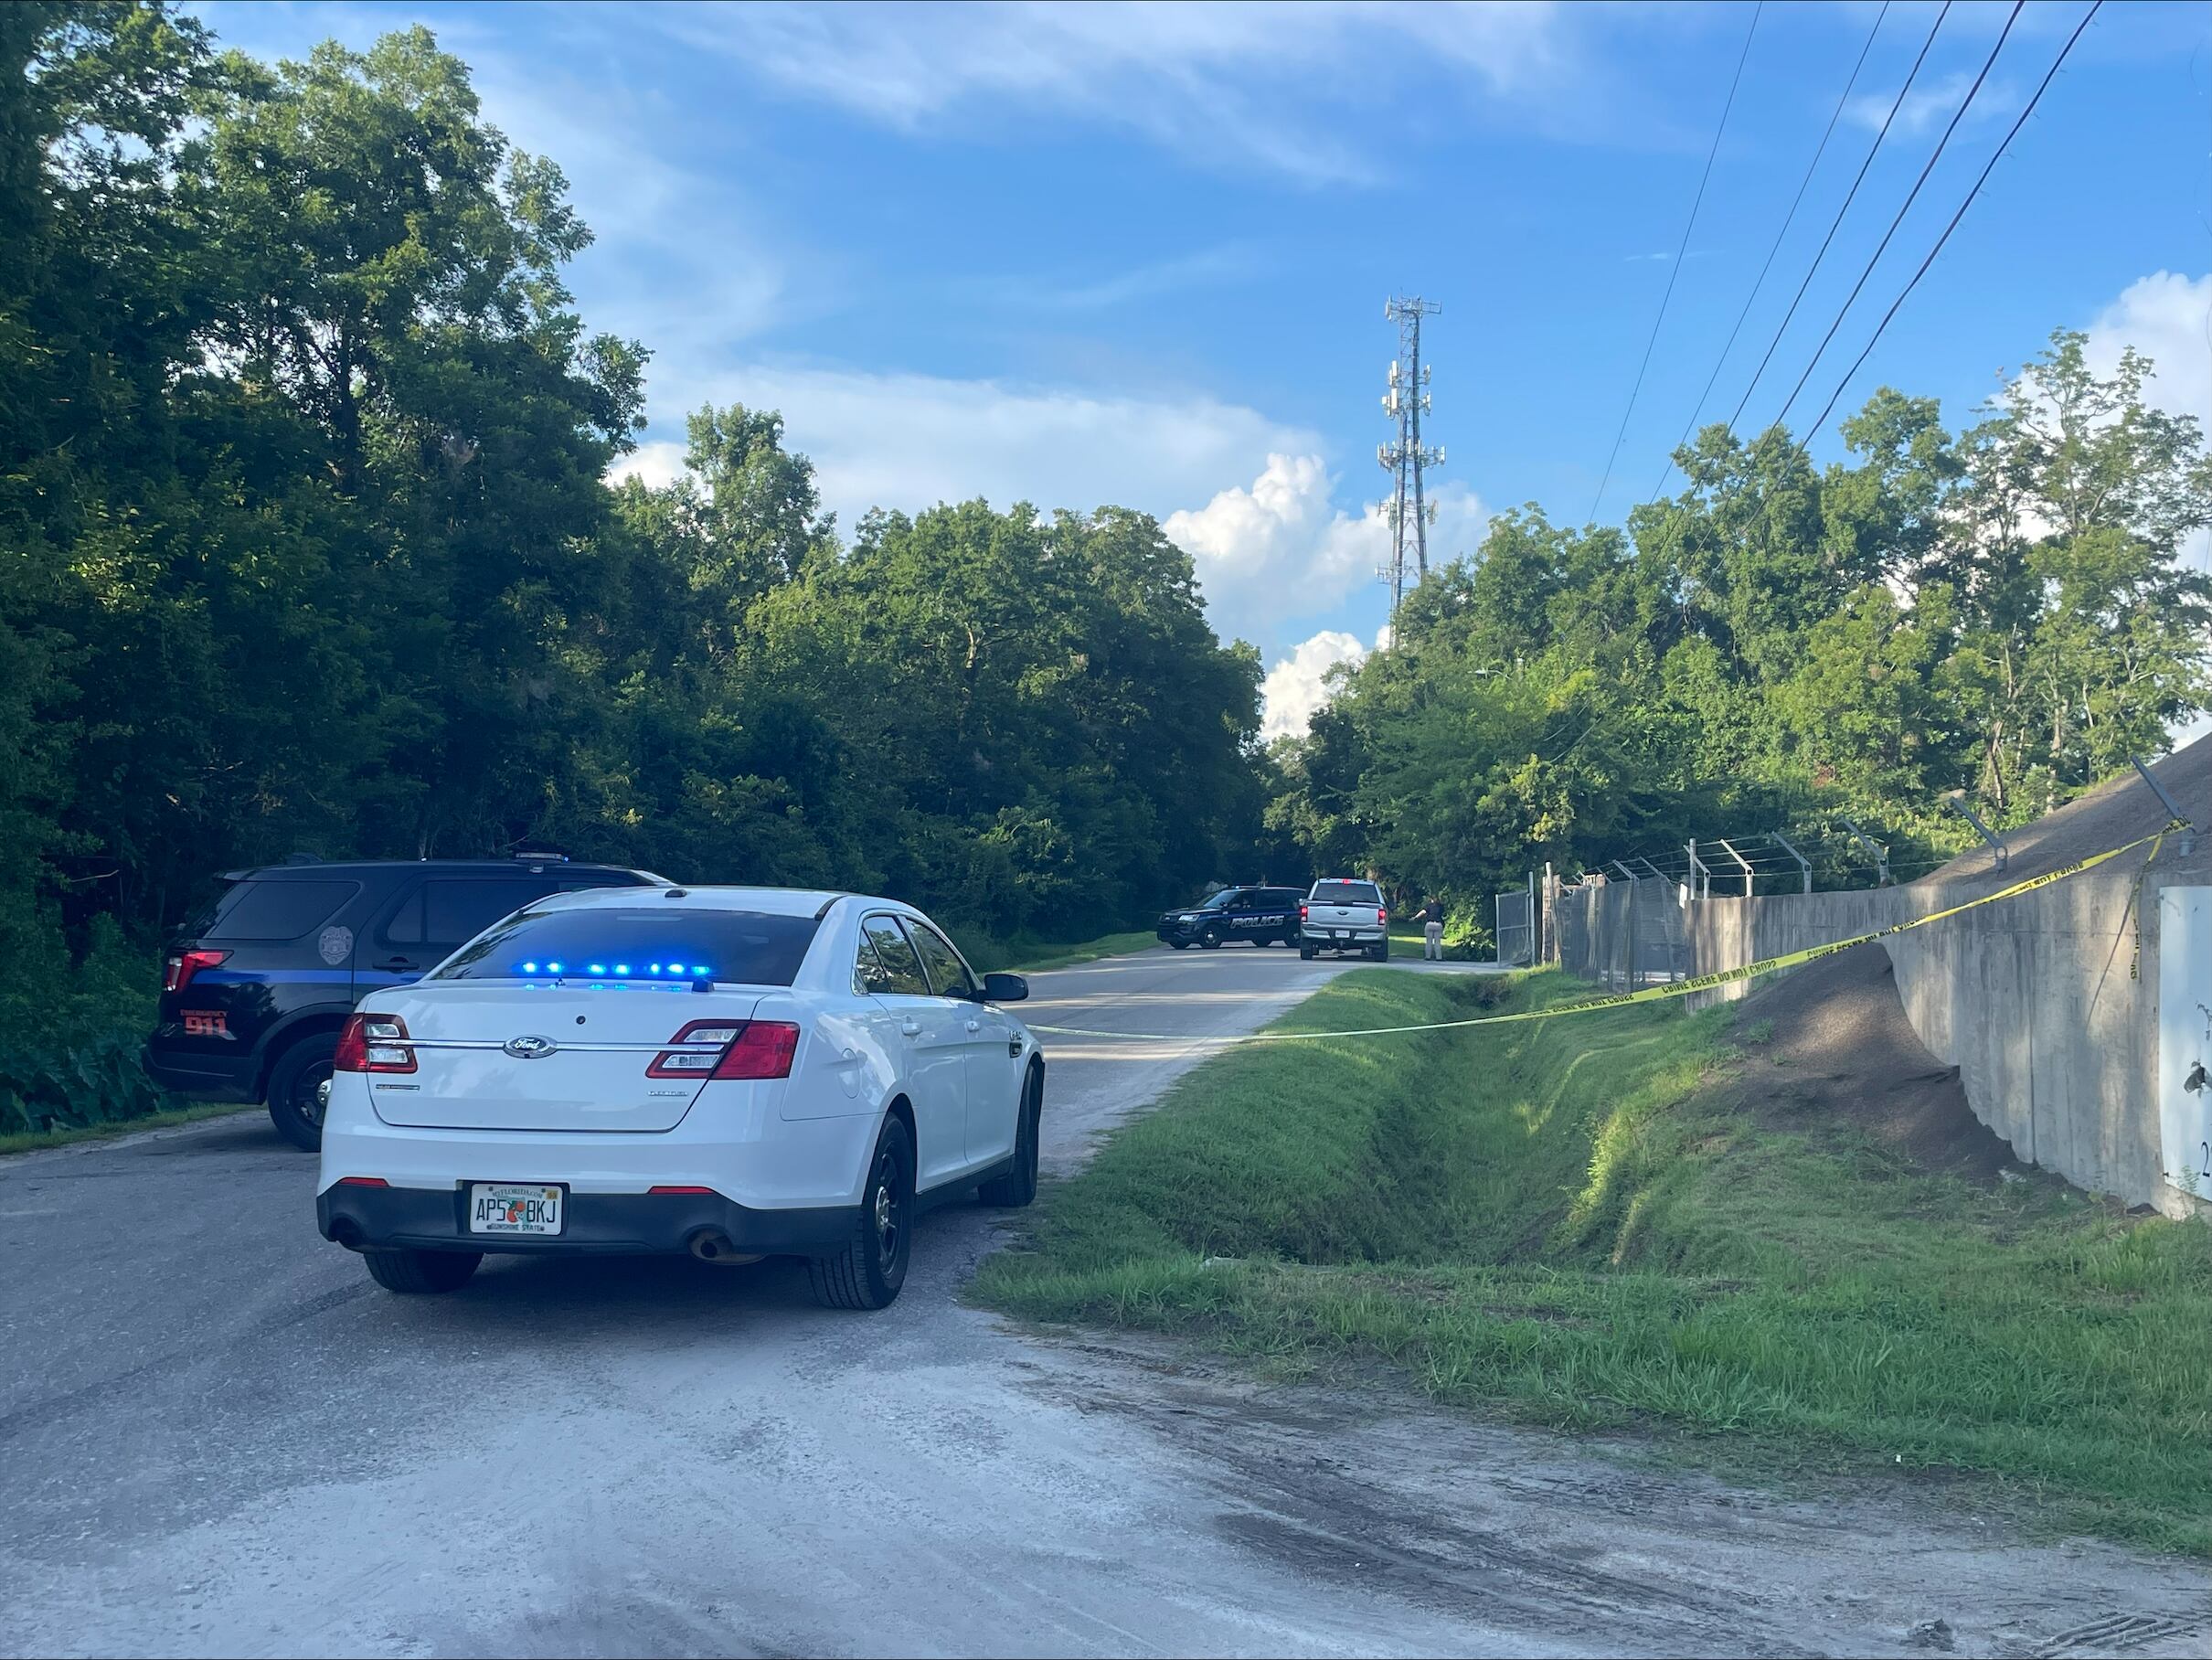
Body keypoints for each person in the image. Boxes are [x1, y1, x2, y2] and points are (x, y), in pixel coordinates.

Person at [1420, 897, 1445, 961]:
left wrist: (1415, 917)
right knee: (1437, 942)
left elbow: (1423, 912)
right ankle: (1439, 958)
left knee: (1429, 941)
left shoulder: (1429, 906)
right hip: (1438, 924)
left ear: (1432, 900)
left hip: (1430, 924)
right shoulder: (1441, 907)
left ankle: (1427, 957)